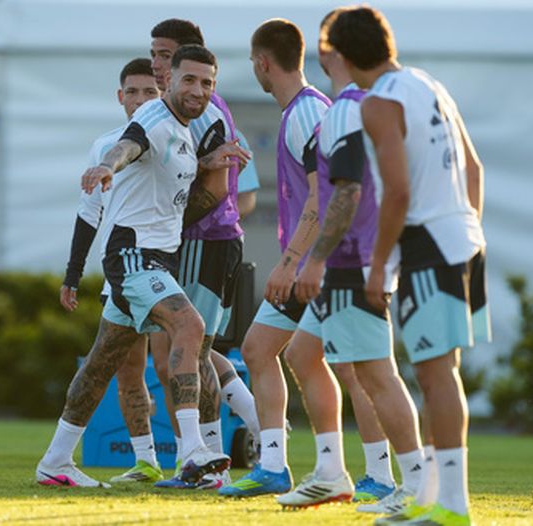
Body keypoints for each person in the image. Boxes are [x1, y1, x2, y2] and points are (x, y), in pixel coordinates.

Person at [36, 44, 237, 489]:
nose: (198, 90)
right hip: (133, 257)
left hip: (150, 257)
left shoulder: (184, 135)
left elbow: (175, 208)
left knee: (99, 364)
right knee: (190, 327)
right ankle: (191, 453)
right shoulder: (152, 119)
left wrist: (207, 166)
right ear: (170, 81)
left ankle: (55, 460)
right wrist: (108, 164)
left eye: (207, 83)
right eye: (189, 79)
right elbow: (130, 145)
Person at [328, 7, 490, 526]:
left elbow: (396, 191)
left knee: (435, 374)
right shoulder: (428, 82)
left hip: (428, 246)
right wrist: (465, 226)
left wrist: (379, 267)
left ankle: (452, 507)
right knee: (442, 372)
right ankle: (433, 498)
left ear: (346, 57)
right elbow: (474, 168)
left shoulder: (378, 104)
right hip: (464, 236)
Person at [276, 8, 425, 510]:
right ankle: (331, 471)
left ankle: (413, 484)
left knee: (376, 374)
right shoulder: (375, 104)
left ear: (330, 53)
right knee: (301, 353)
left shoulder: (344, 109)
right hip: (360, 258)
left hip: (349, 261)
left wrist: (315, 260)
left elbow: (347, 193)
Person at [219, 18, 331, 498]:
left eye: (253, 63)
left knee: (351, 366)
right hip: (312, 260)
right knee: (262, 349)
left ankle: (379, 473)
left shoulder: (306, 112)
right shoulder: (304, 111)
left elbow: (321, 194)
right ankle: (276, 466)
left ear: (264, 63)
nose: (255, 71)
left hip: (318, 263)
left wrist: (292, 263)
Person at [145, 19, 259, 490]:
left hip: (202, 241)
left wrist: (164, 224)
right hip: (203, 242)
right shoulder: (172, 112)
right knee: (194, 350)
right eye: (153, 53)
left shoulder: (206, 111)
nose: (157, 63)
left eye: (166, 55)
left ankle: (209, 460)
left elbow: (219, 191)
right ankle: (222, 450)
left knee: (188, 350)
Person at [59, 57, 165, 484]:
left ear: (162, 94)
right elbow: (89, 215)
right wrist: (72, 275)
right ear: (120, 97)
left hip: (166, 266)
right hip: (124, 271)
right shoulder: (105, 146)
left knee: (192, 356)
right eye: (133, 92)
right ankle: (148, 462)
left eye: (150, 92)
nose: (140, 100)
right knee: (126, 368)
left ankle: (216, 449)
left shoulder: (174, 134)